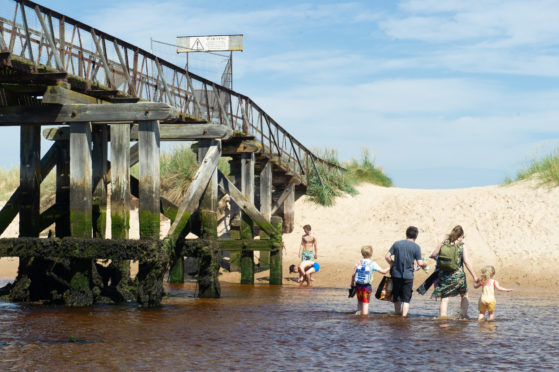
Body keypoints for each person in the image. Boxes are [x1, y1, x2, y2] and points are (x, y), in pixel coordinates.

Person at [430, 225, 478, 318]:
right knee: (464, 295)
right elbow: (466, 262)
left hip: (444, 275)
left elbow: (433, 255)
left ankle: (442, 317)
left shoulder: (443, 243)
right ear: (461, 235)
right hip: (458, 276)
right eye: (463, 237)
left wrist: (440, 262)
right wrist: (474, 276)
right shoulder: (461, 246)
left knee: (444, 298)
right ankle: (463, 316)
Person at [385, 226, 427, 317]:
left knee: (396, 297)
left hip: (396, 274)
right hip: (408, 276)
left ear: (406, 234)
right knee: (406, 299)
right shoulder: (416, 247)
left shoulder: (397, 244)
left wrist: (392, 263)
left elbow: (387, 256)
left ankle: (397, 315)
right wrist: (425, 264)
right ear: (416, 236)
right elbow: (420, 262)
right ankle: (404, 317)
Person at [351, 245, 389, 315]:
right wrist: (391, 266)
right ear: (371, 254)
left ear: (362, 253)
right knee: (365, 304)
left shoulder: (359, 262)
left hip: (358, 286)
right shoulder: (372, 264)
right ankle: (364, 321)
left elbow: (353, 274)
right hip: (367, 287)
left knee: (359, 302)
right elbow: (383, 272)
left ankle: (358, 318)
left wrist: (352, 285)